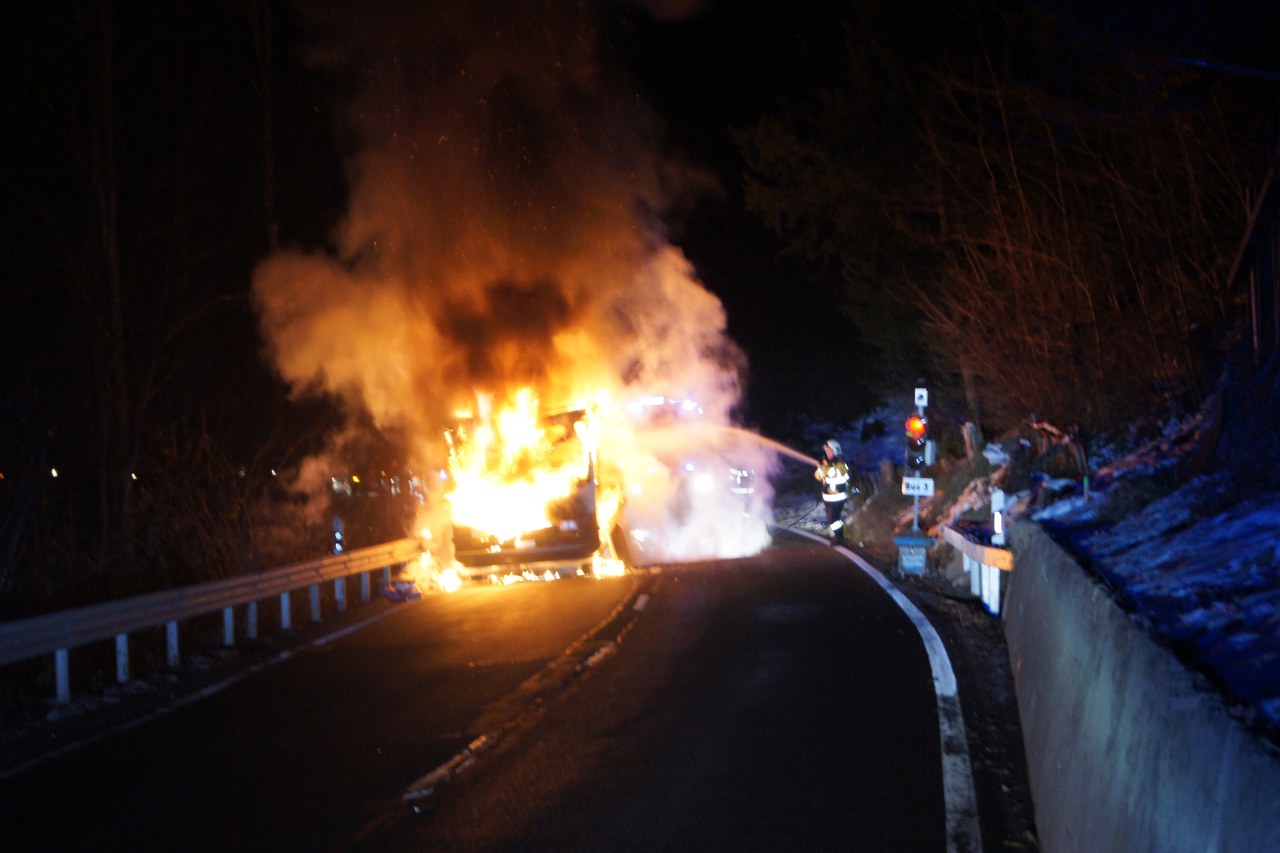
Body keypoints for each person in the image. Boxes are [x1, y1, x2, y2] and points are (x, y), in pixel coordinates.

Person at [814, 439, 851, 544]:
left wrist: (823, 470)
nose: (827, 453)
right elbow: (818, 476)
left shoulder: (840, 463)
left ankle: (838, 538)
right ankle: (840, 536)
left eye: (829, 450)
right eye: (826, 450)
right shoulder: (826, 463)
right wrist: (821, 470)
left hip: (838, 498)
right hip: (828, 498)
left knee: (833, 519)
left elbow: (833, 473)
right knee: (835, 519)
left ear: (835, 450)